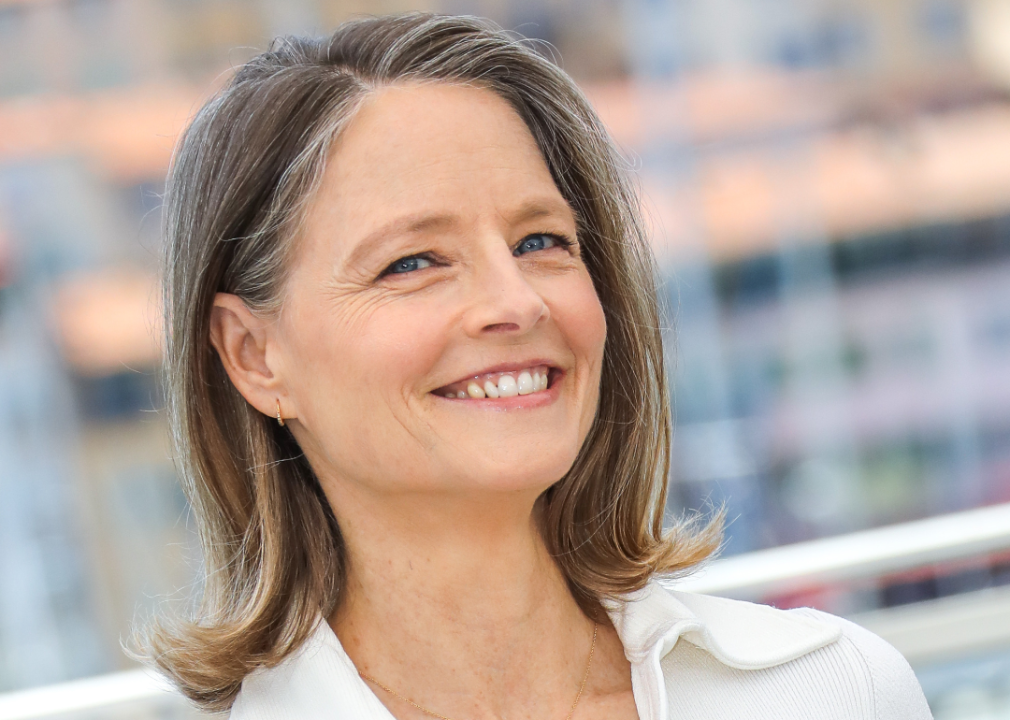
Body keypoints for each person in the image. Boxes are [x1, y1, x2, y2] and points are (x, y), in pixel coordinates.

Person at [145, 13, 933, 720]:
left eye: (541, 242)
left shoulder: (833, 690)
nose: (516, 303)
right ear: (255, 356)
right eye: (413, 261)